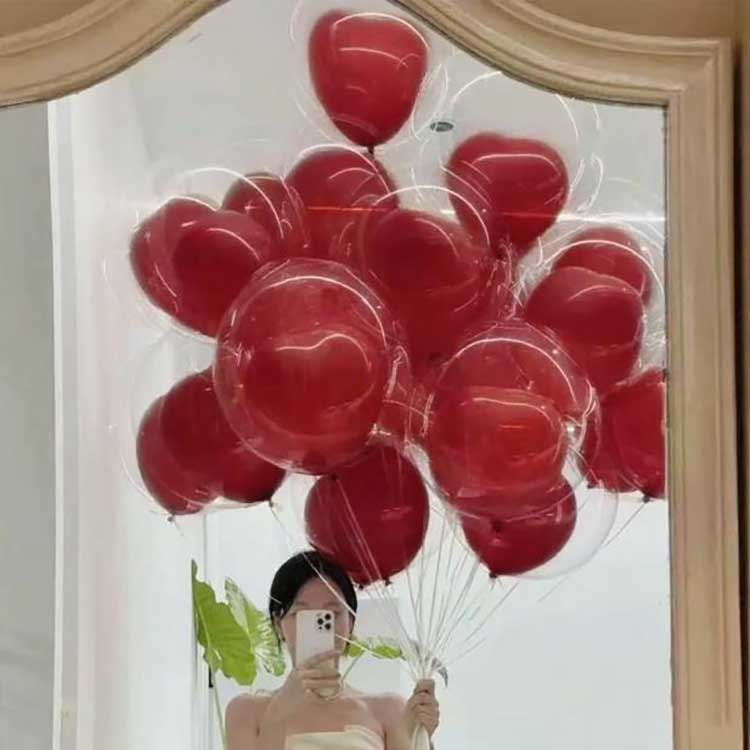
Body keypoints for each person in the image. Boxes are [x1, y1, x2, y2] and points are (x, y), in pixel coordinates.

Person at [226, 551, 440, 749]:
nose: (319, 626)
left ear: (351, 623)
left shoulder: (387, 710)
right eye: (302, 615)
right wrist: (280, 712)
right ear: (278, 625)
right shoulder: (246, 712)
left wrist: (422, 738)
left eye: (331, 615)